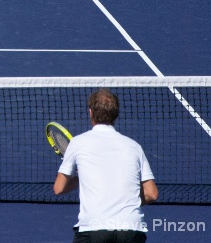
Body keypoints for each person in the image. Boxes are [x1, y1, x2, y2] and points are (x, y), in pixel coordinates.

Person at [54, 89, 158, 243]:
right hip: (131, 230)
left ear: (90, 113)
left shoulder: (78, 143)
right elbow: (152, 194)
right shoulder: (134, 146)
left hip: (93, 229)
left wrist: (78, 179)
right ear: (115, 114)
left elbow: (59, 188)